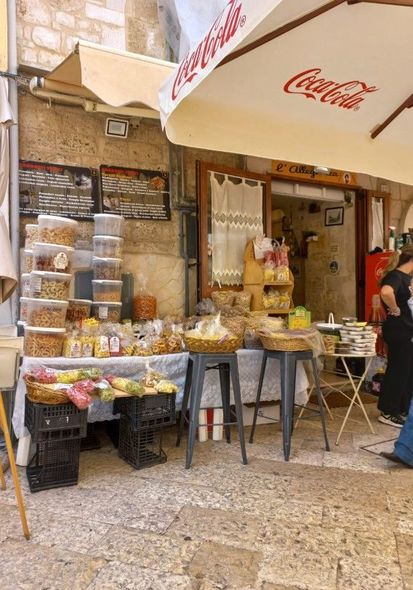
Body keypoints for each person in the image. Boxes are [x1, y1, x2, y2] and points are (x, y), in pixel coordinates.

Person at [377, 245, 413, 427]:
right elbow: (386, 292)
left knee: (407, 370)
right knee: (398, 369)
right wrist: (395, 308)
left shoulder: (407, 278)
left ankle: (401, 408)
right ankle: (388, 411)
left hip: (407, 329)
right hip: (399, 330)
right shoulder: (396, 276)